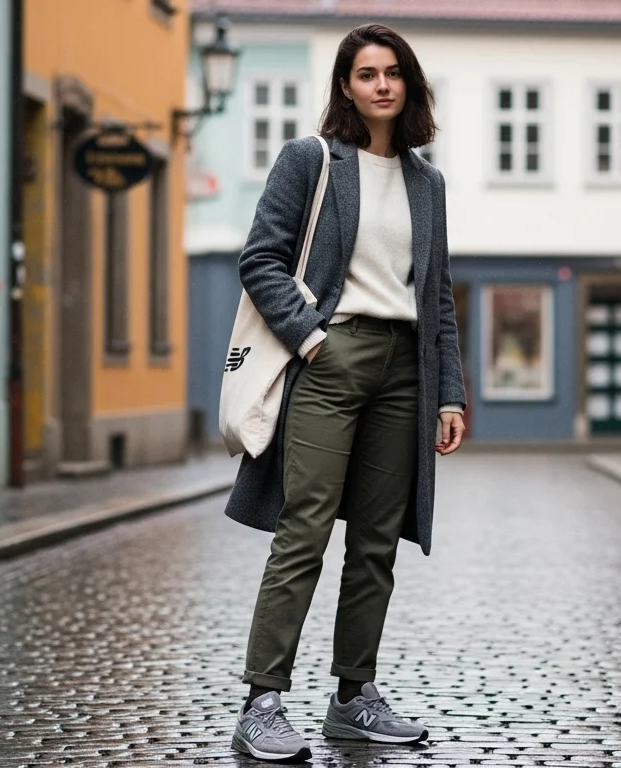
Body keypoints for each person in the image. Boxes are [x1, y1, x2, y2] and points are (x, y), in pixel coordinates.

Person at [222, 22, 467, 764]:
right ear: (345, 86)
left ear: (410, 84)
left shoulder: (428, 182)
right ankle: (263, 700)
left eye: (394, 72)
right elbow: (260, 259)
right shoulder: (311, 161)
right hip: (332, 355)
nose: (382, 85)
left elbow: (439, 298)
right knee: (305, 528)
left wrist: (449, 393)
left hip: (405, 370)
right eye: (367, 73)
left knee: (376, 544)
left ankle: (353, 697)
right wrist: (312, 338)